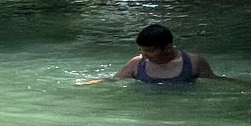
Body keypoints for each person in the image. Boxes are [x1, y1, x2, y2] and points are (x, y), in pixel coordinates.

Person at [79, 23, 223, 86]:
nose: (144, 55)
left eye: (150, 50)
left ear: (167, 48)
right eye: (142, 50)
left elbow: (213, 82)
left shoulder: (193, 62)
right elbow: (115, 80)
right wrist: (93, 82)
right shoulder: (137, 63)